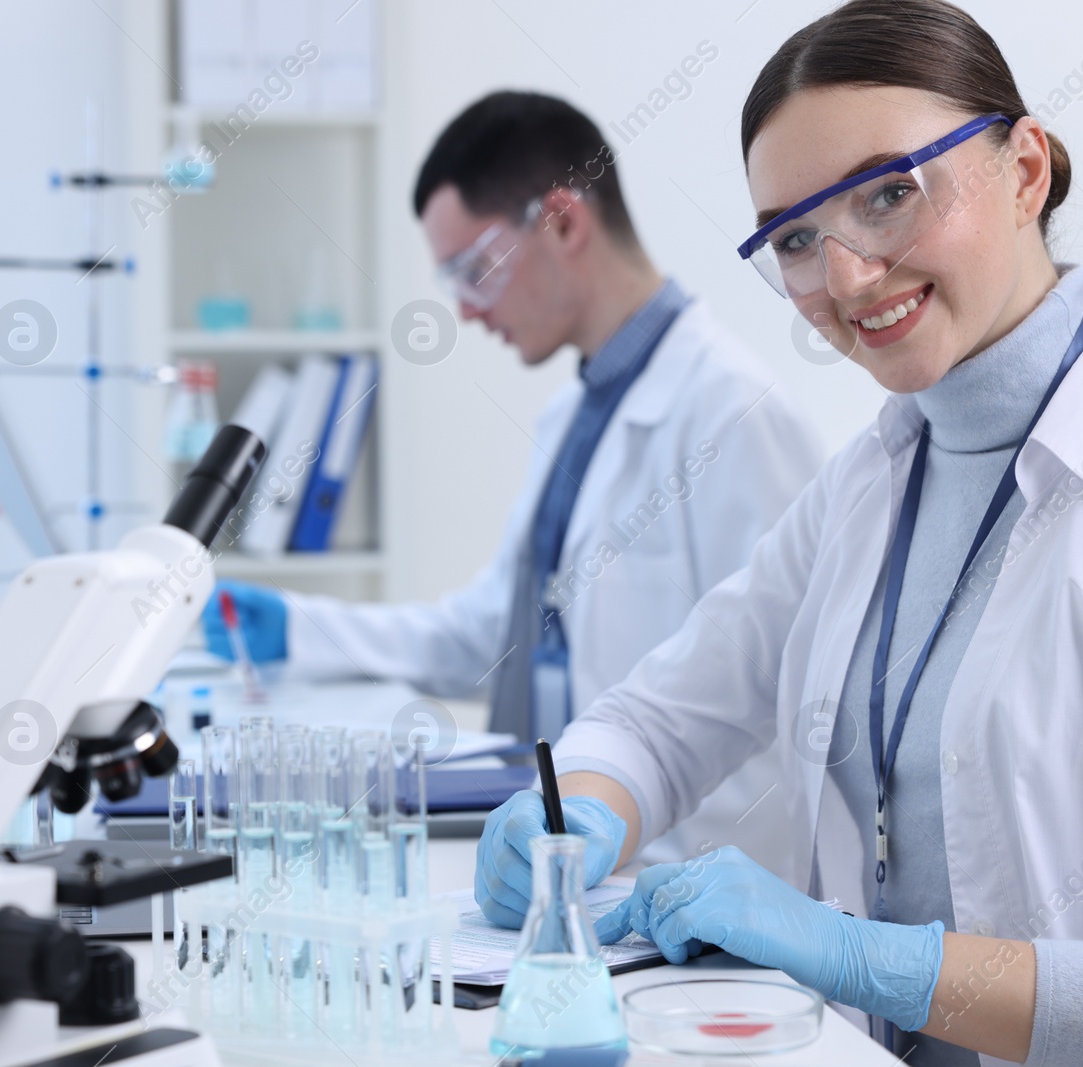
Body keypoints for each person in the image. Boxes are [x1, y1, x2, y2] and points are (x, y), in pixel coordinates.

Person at [472, 3, 1083, 1065]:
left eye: (890, 194)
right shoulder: (869, 485)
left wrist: (871, 958)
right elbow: (663, 717)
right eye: (796, 238)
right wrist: (578, 812)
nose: (844, 278)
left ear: (1025, 170)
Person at [205, 91, 823, 869]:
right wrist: (295, 626)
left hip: (675, 891)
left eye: (473, 268)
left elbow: (777, 704)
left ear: (562, 220)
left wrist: (658, 877)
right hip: (577, 867)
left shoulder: (735, 412)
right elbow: (496, 638)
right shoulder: (575, 413)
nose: (465, 309)